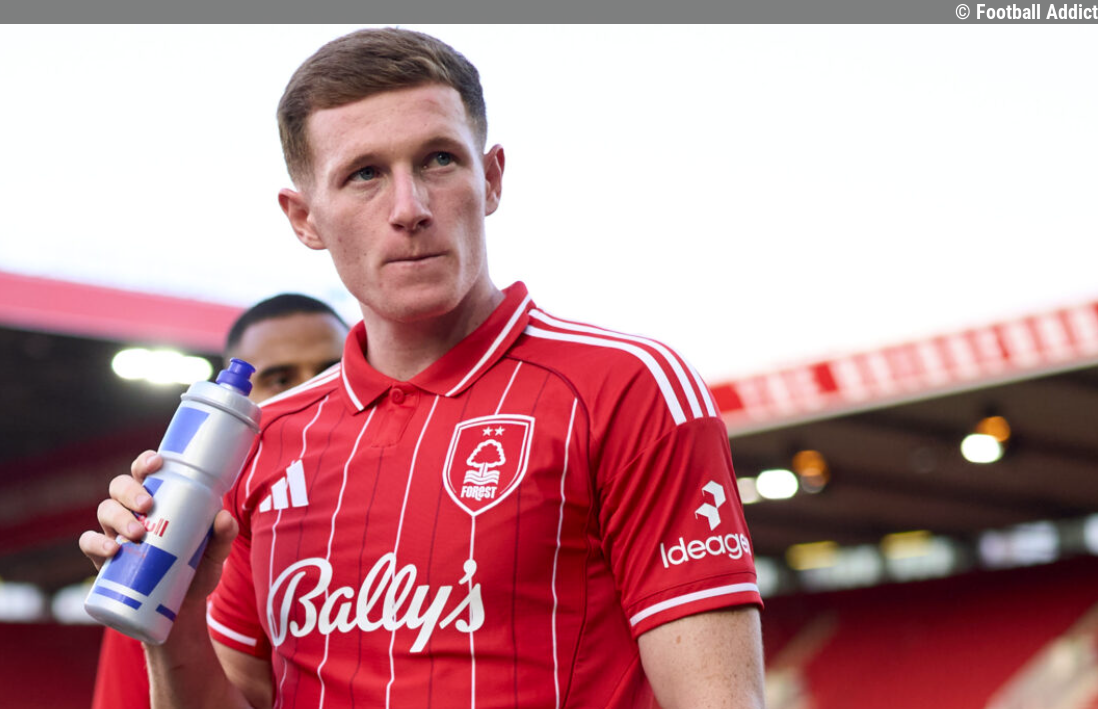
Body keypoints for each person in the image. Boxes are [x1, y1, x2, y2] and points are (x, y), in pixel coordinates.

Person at [81, 27, 766, 709]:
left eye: (439, 159)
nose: (410, 209)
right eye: (365, 174)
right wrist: (174, 617)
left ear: (490, 178)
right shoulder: (262, 439)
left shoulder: (629, 388)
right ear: (304, 218)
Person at [90, 293, 348, 709]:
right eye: (281, 381)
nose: (310, 397)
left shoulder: (389, 514)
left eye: (329, 374)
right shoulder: (156, 549)